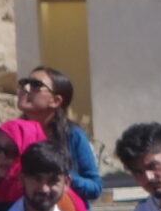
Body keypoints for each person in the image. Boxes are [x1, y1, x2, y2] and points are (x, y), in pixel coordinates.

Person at [13, 67, 101, 202]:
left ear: (56, 101)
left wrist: (59, 178)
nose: (26, 88)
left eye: (36, 85)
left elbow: (95, 187)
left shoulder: (73, 135)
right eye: (24, 82)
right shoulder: (11, 135)